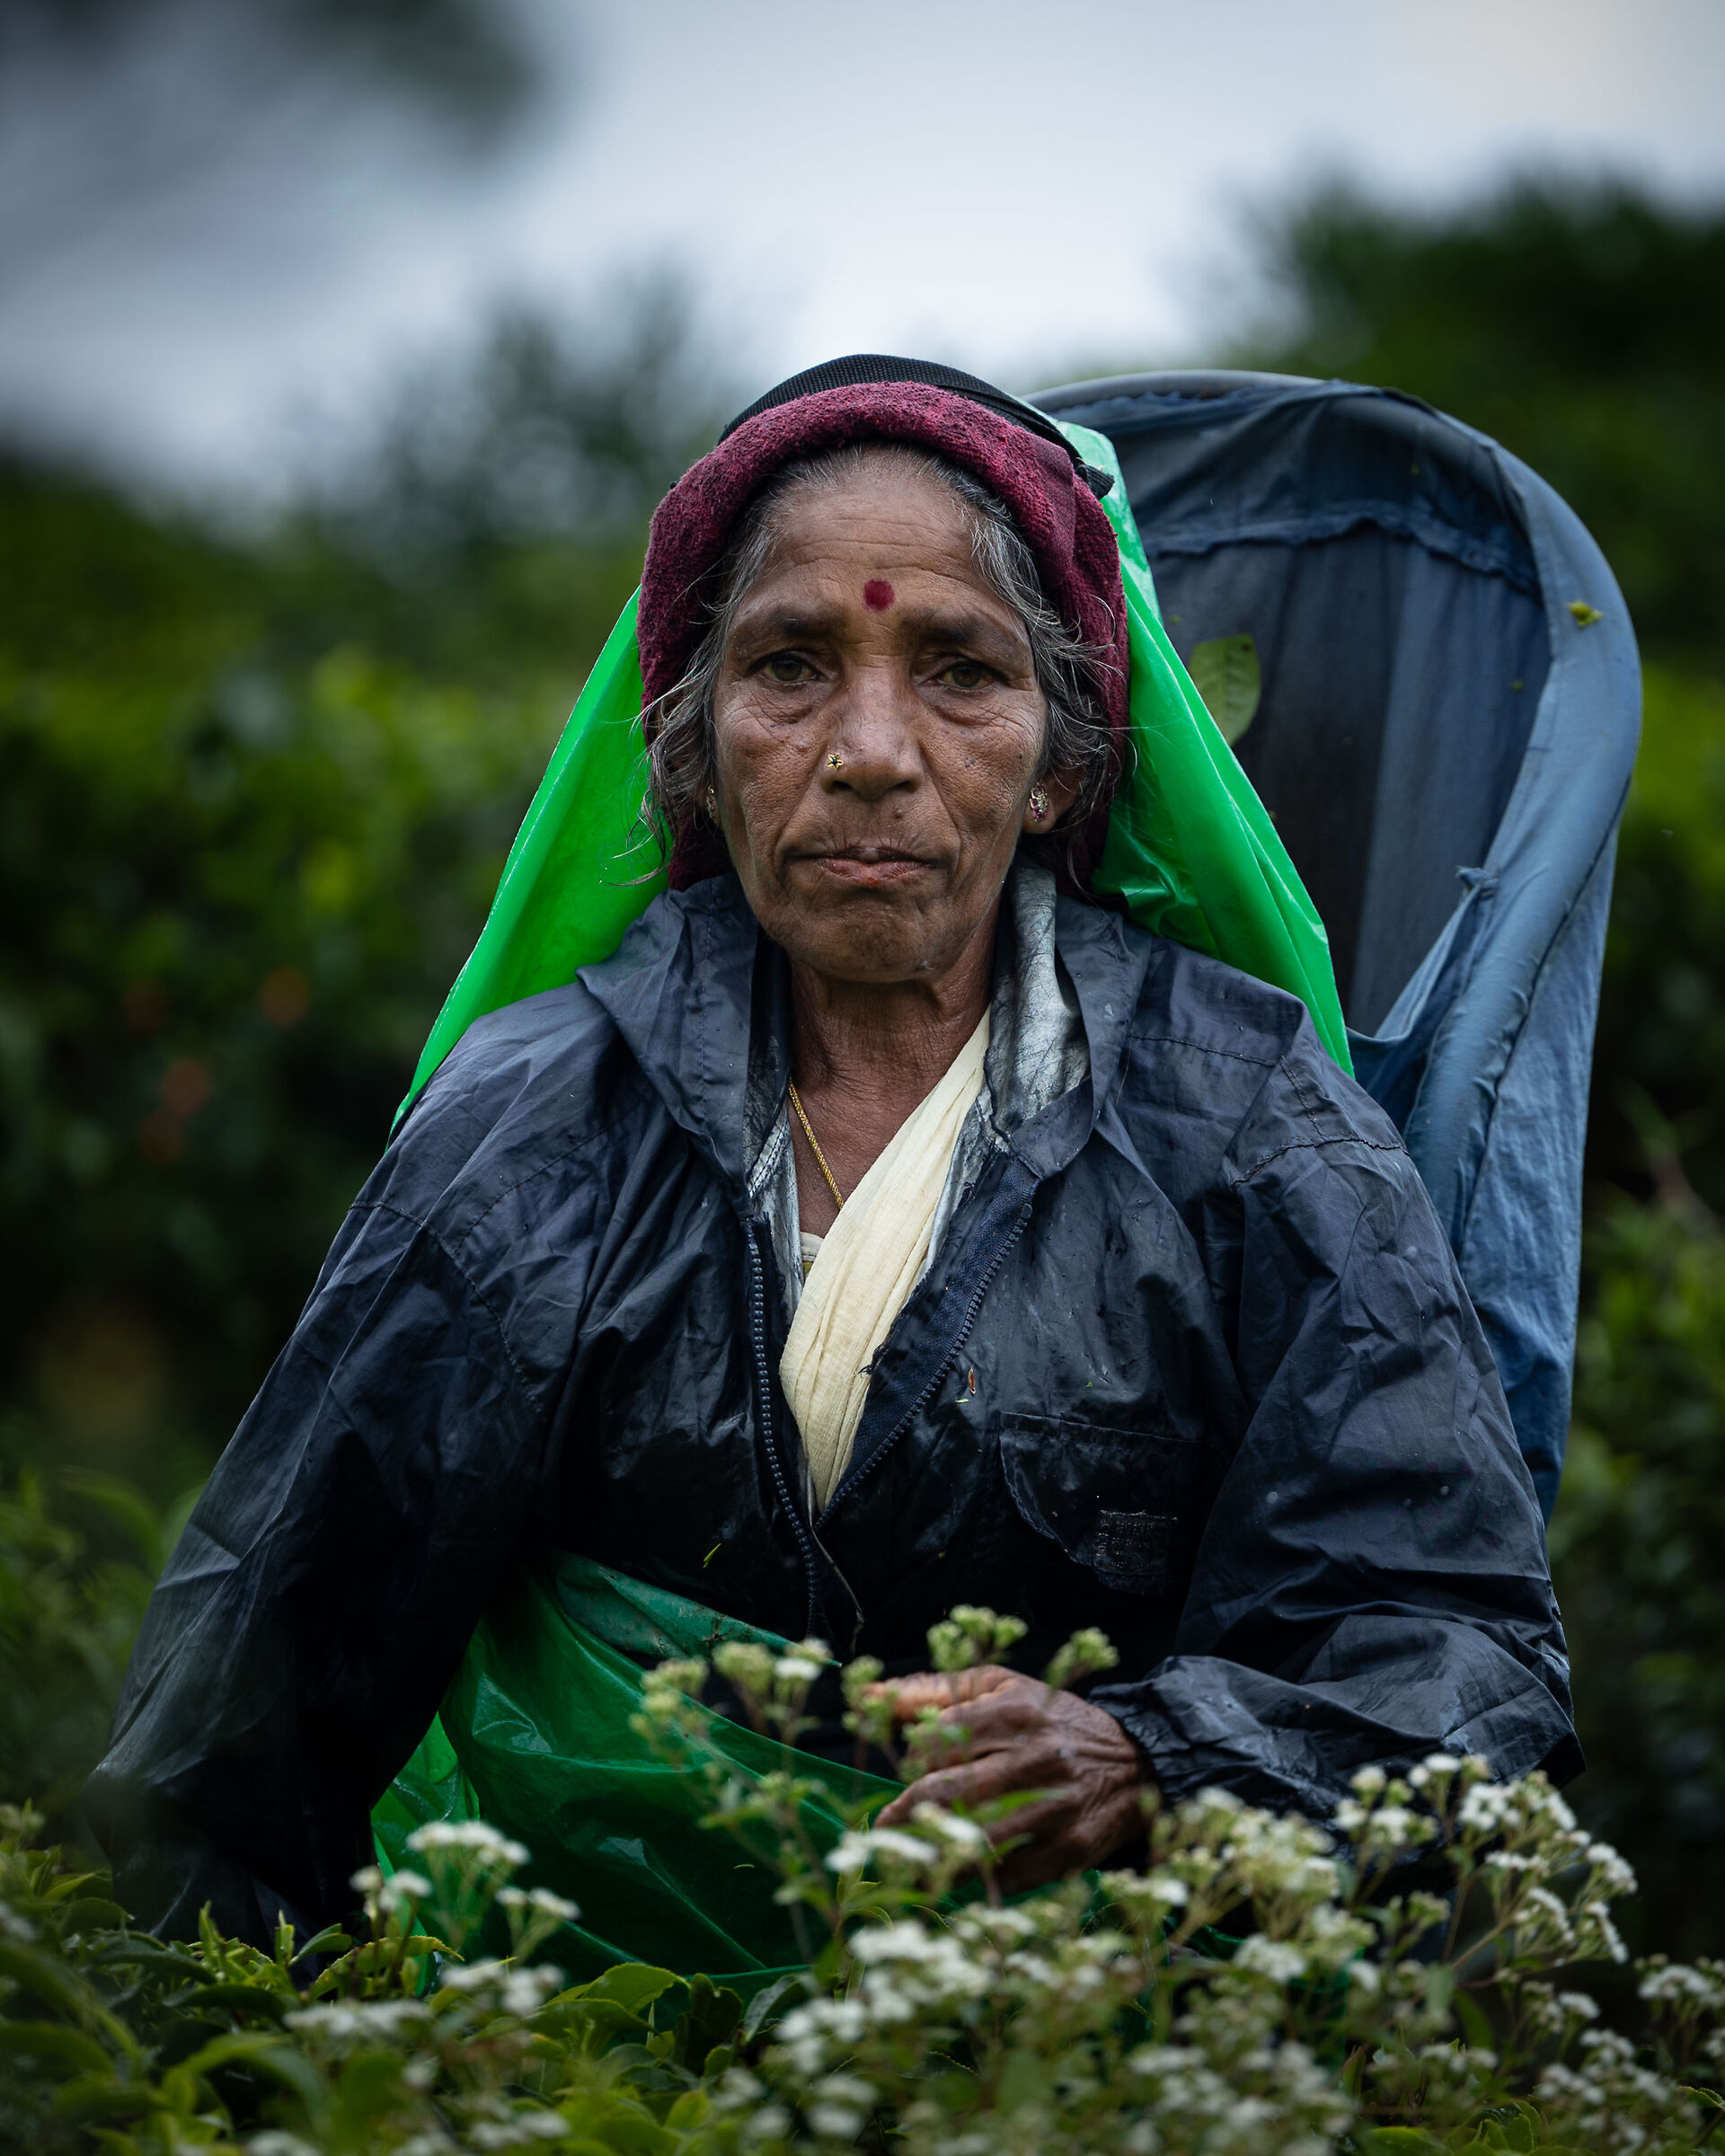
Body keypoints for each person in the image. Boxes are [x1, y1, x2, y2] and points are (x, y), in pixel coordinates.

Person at [88, 358, 1579, 1954]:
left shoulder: (1253, 1128)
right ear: (698, 751)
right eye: (790, 667)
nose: (871, 750)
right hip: (566, 2069)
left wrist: (1153, 1755)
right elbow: (235, 1747)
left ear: (1064, 762)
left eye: (960, 672)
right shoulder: (528, 1128)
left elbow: (1458, 1658)